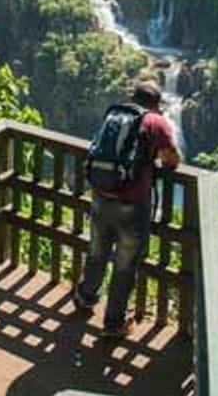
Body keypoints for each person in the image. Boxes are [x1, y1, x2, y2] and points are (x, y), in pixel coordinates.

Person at [73, 80, 181, 338]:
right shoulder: (157, 122)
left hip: (101, 194)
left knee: (97, 252)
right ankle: (113, 323)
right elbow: (172, 158)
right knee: (125, 265)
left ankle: (85, 298)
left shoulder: (115, 113)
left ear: (133, 98)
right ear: (157, 104)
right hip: (132, 204)